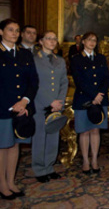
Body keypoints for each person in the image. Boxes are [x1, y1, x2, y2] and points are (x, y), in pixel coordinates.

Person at [0, 18, 38, 200]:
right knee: (2, 147)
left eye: (16, 30)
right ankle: (2, 184)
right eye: (10, 30)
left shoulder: (25, 54)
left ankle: (11, 180)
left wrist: (24, 102)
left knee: (15, 145)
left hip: (22, 109)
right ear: (1, 32)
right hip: (2, 108)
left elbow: (33, 81)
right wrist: (12, 105)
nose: (14, 33)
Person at [70, 32, 109, 174]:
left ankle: (94, 159)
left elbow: (106, 79)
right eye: (89, 40)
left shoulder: (101, 58)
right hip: (83, 99)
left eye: (94, 40)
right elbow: (78, 81)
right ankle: (85, 160)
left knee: (95, 130)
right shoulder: (76, 59)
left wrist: (100, 95)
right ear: (83, 42)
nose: (92, 42)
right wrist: (93, 95)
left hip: (100, 99)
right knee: (84, 131)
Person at [32, 31, 68, 183]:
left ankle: (50, 166)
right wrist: (49, 101)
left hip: (56, 105)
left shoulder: (60, 60)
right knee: (40, 136)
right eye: (49, 38)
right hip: (40, 104)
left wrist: (59, 101)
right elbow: (34, 84)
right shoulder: (34, 60)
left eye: (55, 39)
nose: (52, 41)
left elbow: (63, 82)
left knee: (53, 136)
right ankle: (39, 169)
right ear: (41, 41)